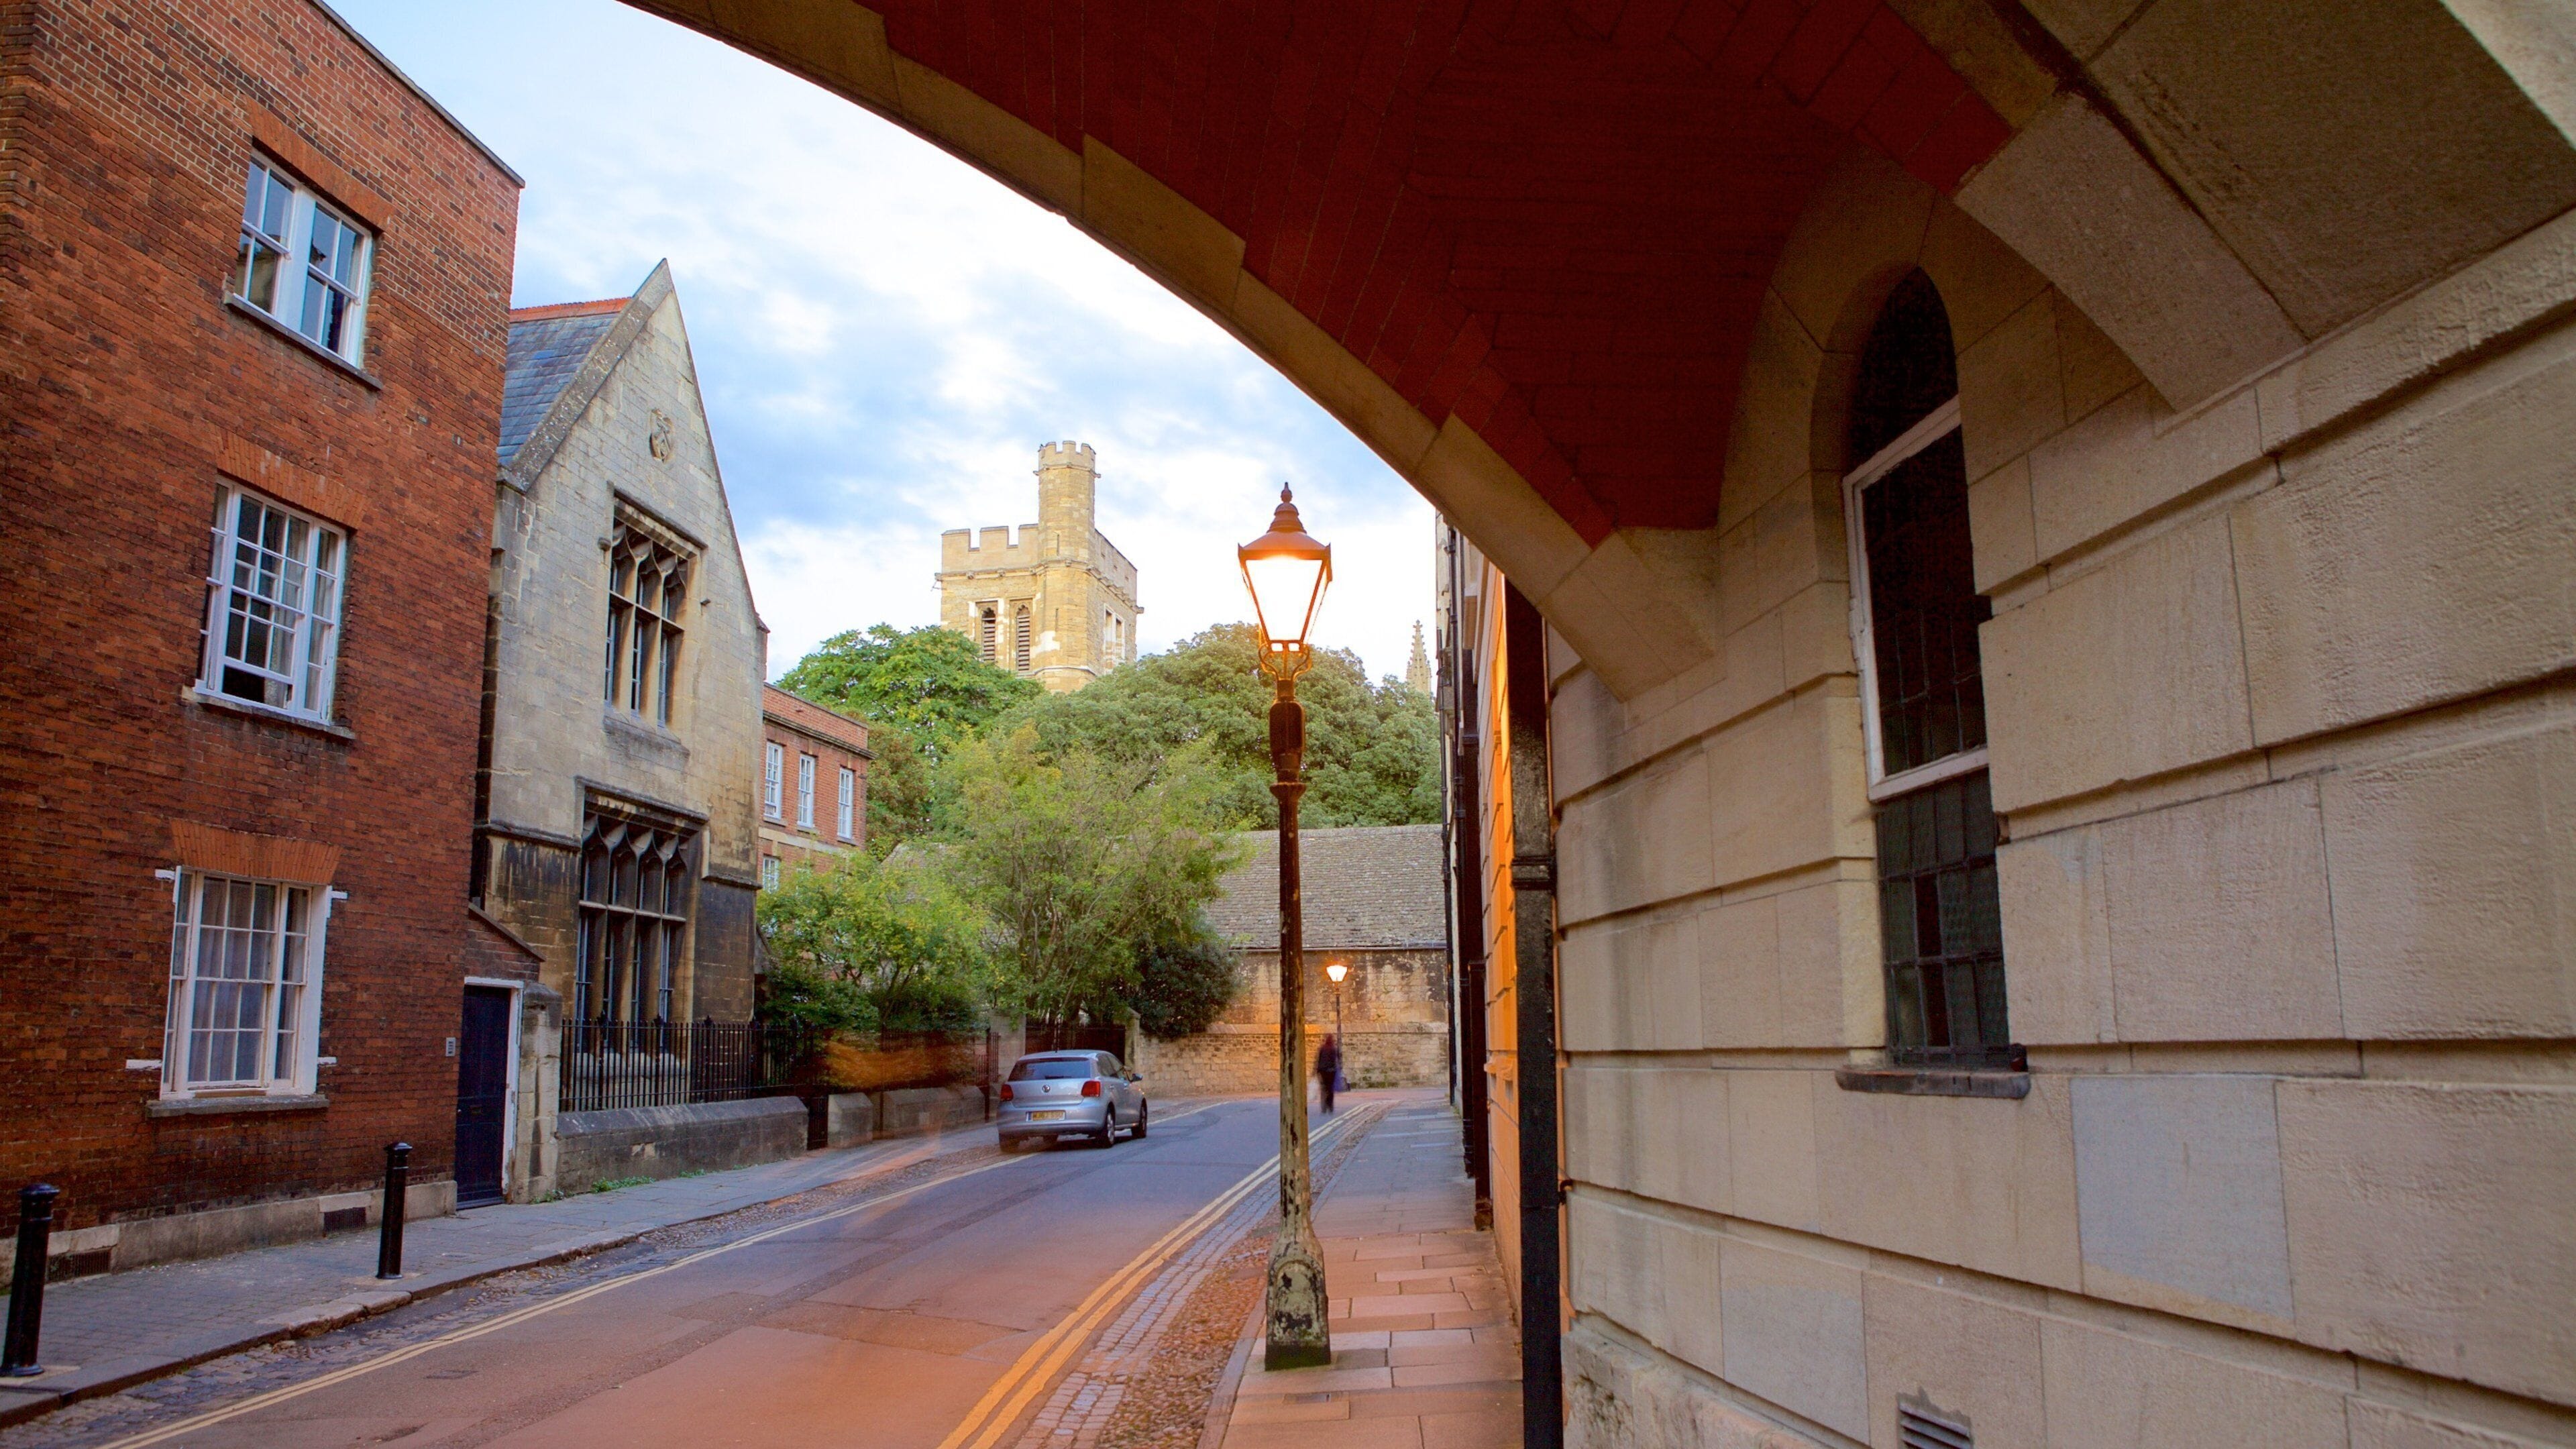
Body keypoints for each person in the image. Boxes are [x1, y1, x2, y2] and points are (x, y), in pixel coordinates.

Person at [1316, 1033, 1341, 1114]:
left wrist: (1317, 1071)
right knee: (1330, 1090)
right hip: (1331, 1071)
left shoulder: (1322, 1048)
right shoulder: (1334, 1049)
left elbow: (1318, 1060)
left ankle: (1324, 1107)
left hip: (1323, 1071)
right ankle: (1330, 1106)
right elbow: (1337, 1060)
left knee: (1324, 1089)